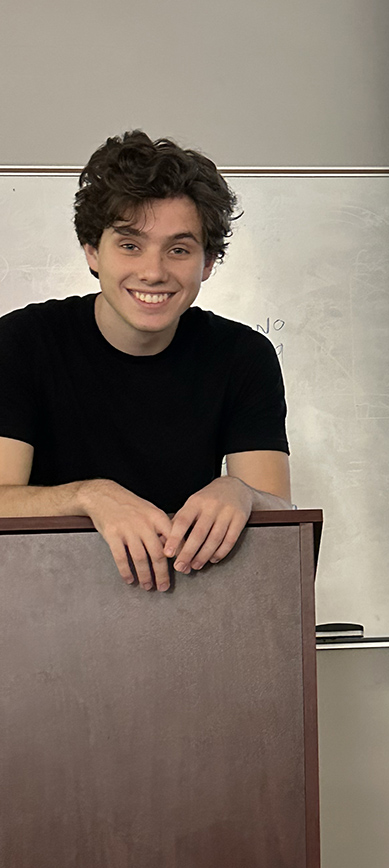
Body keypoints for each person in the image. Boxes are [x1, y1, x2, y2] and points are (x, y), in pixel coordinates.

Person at [0, 131, 292, 592]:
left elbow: (283, 517)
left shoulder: (243, 356)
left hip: (190, 608)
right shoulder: (20, 342)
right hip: (40, 600)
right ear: (92, 252)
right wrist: (89, 495)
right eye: (130, 245)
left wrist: (243, 493)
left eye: (179, 249)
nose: (154, 271)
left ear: (209, 263)